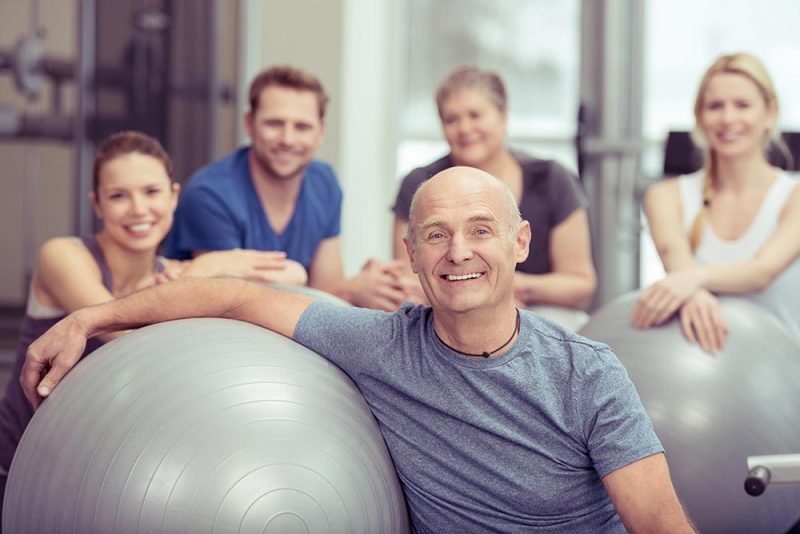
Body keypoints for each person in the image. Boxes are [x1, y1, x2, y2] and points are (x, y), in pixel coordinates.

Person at [25, 167, 694, 532]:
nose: (458, 252)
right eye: (435, 235)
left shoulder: (586, 373)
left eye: (480, 231)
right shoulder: (376, 342)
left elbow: (661, 527)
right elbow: (232, 297)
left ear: (519, 244)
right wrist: (92, 317)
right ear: (411, 252)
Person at [0, 131, 304, 509]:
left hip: (97, 482)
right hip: (18, 475)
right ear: (97, 204)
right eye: (118, 196)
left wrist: (208, 267)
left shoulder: (176, 275)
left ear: (174, 196)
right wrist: (203, 274)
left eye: (151, 192)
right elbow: (121, 334)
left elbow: (295, 273)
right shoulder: (63, 256)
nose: (138, 209)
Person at [163, 65, 410, 311]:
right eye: (274, 124)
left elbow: (326, 288)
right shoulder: (209, 195)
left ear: (321, 131)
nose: (288, 139)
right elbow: (231, 304)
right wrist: (346, 290)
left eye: (302, 127)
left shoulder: (324, 183)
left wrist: (365, 286)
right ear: (249, 124)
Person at [392, 66, 596, 315]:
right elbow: (409, 280)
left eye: (475, 115)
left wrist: (513, 287)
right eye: (451, 119)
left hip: (536, 313)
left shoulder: (552, 179)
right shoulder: (418, 185)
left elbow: (580, 285)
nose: (464, 128)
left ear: (503, 117)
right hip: (445, 314)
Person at [633, 53, 800, 351]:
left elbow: (762, 271)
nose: (727, 119)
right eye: (715, 106)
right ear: (699, 117)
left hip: (782, 372)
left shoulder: (794, 198)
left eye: (742, 105)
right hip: (701, 367)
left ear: (770, 114)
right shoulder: (665, 197)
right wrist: (692, 288)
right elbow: (679, 269)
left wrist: (692, 281)